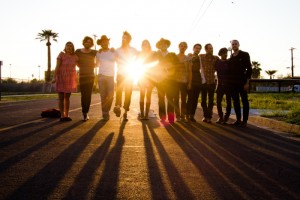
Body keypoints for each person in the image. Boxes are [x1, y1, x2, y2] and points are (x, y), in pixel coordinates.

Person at [114, 31, 138, 120]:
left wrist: (135, 62)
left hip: (129, 74)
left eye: (126, 38)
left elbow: (140, 54)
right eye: (123, 37)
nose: (124, 39)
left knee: (128, 93)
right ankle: (118, 106)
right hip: (120, 74)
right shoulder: (117, 50)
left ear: (129, 40)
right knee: (119, 91)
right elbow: (114, 57)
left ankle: (125, 112)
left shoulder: (133, 49)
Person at [228, 40, 252, 127]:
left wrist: (247, 83)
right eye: (233, 44)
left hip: (242, 82)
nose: (234, 45)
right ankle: (238, 120)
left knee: (245, 101)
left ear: (238, 45)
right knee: (236, 101)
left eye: (235, 44)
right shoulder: (231, 57)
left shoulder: (245, 54)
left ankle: (244, 121)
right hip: (232, 83)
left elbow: (249, 69)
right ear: (231, 46)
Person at [155, 38, 179, 123]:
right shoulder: (156, 55)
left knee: (170, 99)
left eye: (165, 44)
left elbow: (177, 66)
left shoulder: (172, 55)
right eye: (161, 44)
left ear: (167, 45)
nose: (163, 45)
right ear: (159, 46)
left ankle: (171, 117)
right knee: (161, 99)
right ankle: (162, 117)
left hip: (170, 81)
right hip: (160, 80)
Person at [52, 42, 78, 122]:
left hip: (70, 78)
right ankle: (62, 115)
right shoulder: (61, 54)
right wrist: (54, 77)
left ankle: (67, 114)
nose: (69, 47)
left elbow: (80, 65)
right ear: (65, 47)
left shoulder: (75, 57)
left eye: (71, 46)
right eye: (68, 46)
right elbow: (57, 66)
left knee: (67, 97)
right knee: (61, 98)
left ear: (73, 48)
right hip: (61, 77)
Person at [75, 36, 97, 121]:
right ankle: (84, 112)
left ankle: (86, 112)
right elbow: (74, 59)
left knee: (88, 96)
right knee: (83, 95)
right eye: (86, 42)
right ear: (83, 42)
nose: (88, 43)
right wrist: (80, 66)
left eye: (90, 42)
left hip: (91, 77)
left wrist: (95, 65)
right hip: (82, 76)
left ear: (91, 44)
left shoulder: (94, 52)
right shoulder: (78, 51)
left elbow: (103, 53)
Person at [95, 35, 116, 121]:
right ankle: (105, 113)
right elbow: (96, 64)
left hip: (111, 76)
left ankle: (106, 110)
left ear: (108, 42)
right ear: (101, 43)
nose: (104, 43)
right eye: (103, 41)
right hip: (101, 76)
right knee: (103, 96)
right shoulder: (99, 53)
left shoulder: (113, 52)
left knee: (111, 96)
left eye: (106, 41)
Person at [137, 40, 156, 120]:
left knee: (148, 96)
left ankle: (146, 115)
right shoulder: (139, 54)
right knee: (142, 95)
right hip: (142, 76)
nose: (145, 45)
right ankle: (142, 114)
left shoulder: (153, 54)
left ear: (149, 45)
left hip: (150, 77)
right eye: (144, 44)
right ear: (142, 46)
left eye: (147, 44)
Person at [200, 43, 219, 123]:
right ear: (206, 49)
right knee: (203, 101)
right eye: (210, 48)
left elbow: (220, 67)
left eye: (212, 48)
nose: (211, 49)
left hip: (211, 82)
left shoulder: (216, 58)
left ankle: (209, 117)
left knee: (211, 101)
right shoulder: (201, 57)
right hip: (203, 82)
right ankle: (205, 115)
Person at [187, 43, 204, 122]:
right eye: (196, 48)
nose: (197, 49)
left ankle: (192, 115)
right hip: (190, 78)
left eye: (199, 48)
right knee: (190, 98)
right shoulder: (189, 56)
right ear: (193, 48)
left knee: (195, 99)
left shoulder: (200, 58)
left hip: (198, 79)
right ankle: (187, 115)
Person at [215, 47, 231, 124]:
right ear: (220, 54)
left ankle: (226, 118)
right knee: (218, 102)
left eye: (226, 53)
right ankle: (220, 117)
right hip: (220, 84)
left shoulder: (229, 62)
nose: (225, 55)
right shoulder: (217, 62)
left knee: (229, 102)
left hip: (228, 85)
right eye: (224, 53)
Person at [175, 42, 189, 122]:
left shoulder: (188, 58)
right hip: (175, 81)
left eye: (184, 46)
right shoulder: (175, 57)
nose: (182, 47)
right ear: (179, 47)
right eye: (181, 46)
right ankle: (177, 116)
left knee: (184, 100)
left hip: (184, 81)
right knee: (176, 99)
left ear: (186, 48)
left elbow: (189, 71)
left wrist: (189, 82)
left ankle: (183, 116)